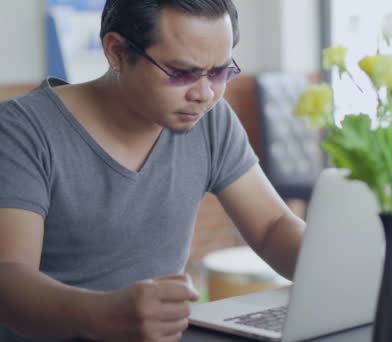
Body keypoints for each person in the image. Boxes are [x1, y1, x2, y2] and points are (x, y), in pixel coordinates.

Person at [0, 1, 305, 341]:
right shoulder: (21, 130)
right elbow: (9, 274)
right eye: (181, 72)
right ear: (116, 52)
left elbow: (271, 227)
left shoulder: (211, 120)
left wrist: (338, 270)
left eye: (219, 72)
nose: (205, 94)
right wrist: (97, 314)